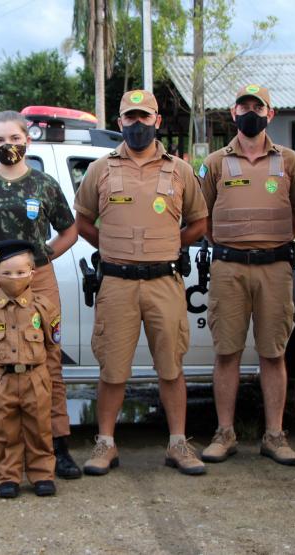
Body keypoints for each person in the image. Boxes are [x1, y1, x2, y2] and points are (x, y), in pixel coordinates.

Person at [73, 89, 209, 476]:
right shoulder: (101, 169)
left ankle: (178, 443)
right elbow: (82, 221)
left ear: (157, 121)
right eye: (129, 118)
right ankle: (105, 444)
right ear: (119, 123)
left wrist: (168, 245)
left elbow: (199, 223)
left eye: (143, 117)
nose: (136, 124)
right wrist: (113, 247)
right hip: (116, 283)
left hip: (164, 281)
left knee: (171, 367)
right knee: (112, 369)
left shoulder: (179, 170)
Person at [0, 110, 81, 483]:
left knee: (48, 362)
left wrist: (44, 257)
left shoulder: (44, 184)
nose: (8, 146)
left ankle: (58, 447)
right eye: (0, 140)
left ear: (28, 140)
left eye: (14, 139)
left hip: (37, 281)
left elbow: (69, 230)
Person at [198, 84, 295, 466]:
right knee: (226, 352)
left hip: (275, 269)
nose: (250, 112)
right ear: (233, 113)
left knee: (273, 354)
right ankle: (224, 434)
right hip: (228, 268)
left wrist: (271, 244)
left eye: (257, 107)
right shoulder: (214, 163)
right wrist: (233, 244)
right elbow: (203, 216)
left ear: (269, 113)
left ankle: (275, 436)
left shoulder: (290, 162)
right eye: (243, 106)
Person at [0, 240, 60, 498]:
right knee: (5, 430)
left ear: (33, 273)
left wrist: (45, 378)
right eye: (7, 273)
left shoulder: (43, 307)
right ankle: (8, 477)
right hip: (3, 378)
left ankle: (42, 474)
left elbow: (53, 344)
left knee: (40, 428)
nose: (14, 278)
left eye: (21, 272)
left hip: (35, 377)